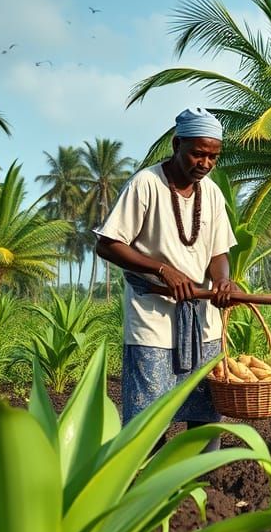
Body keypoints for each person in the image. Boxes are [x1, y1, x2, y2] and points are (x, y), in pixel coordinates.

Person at [95, 107, 237, 449]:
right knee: (150, 413)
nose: (205, 163)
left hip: (202, 321)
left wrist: (222, 280)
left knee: (205, 413)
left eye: (213, 157)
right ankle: (149, 485)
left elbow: (219, 252)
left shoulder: (213, 194)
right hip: (153, 318)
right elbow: (108, 244)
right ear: (177, 145)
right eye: (198, 154)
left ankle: (202, 484)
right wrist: (162, 269)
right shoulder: (147, 184)